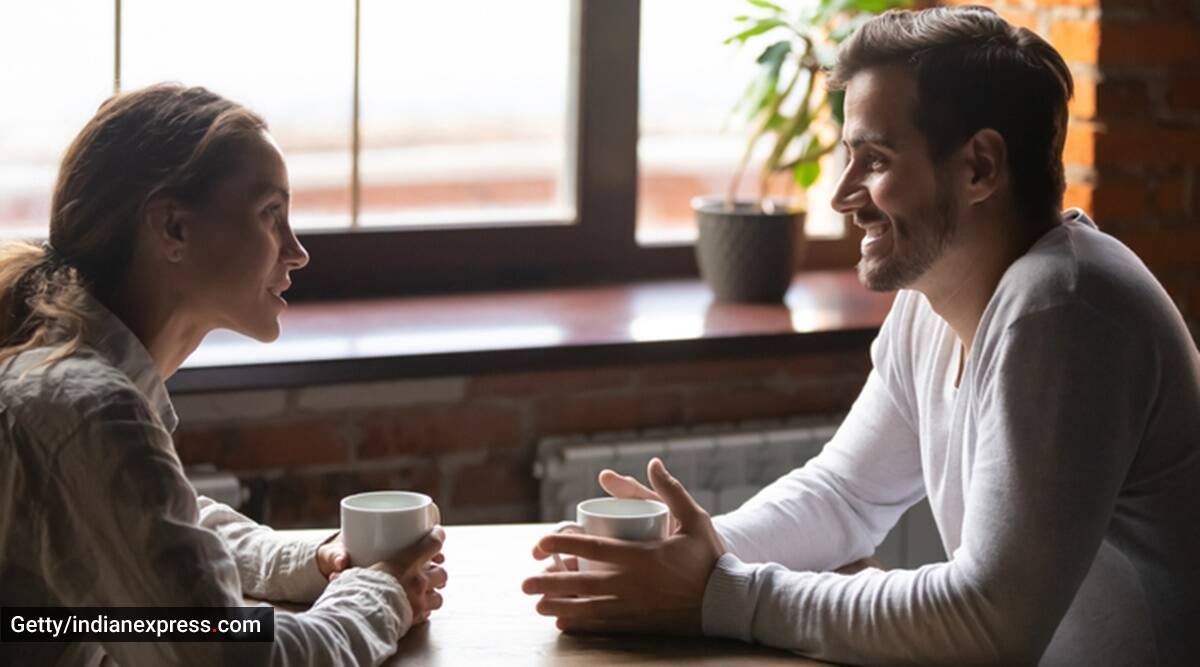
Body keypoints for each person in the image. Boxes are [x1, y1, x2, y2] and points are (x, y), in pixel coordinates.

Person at [522, 7, 1200, 664]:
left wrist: (714, 591)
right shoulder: (933, 296)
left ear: (980, 168)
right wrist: (693, 552)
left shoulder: (1064, 306)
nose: (843, 194)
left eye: (873, 159)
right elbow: (845, 493)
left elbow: (991, 621)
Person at [0, 84, 447, 665]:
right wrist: (381, 594)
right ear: (173, 229)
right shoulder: (88, 408)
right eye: (270, 214)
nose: (296, 251)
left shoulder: (73, 378)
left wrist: (314, 562)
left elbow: (154, 530)